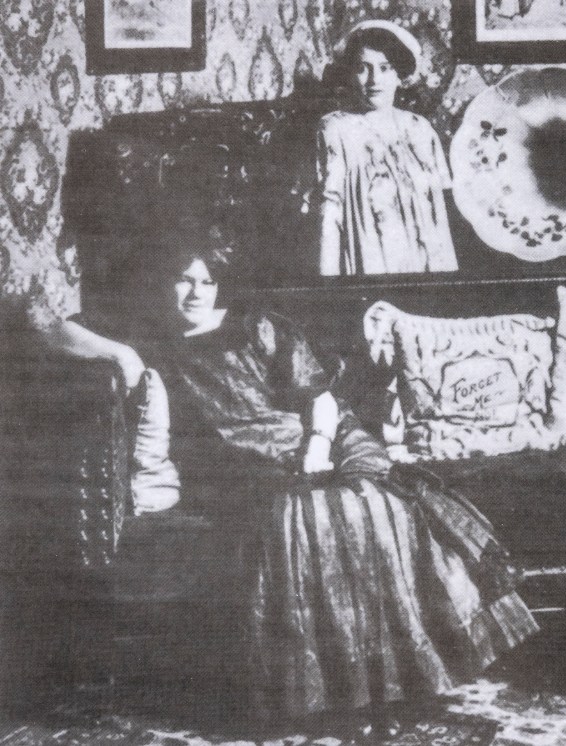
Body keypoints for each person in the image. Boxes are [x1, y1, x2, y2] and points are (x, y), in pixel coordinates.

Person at [41, 235, 537, 738]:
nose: (196, 292)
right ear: (164, 282)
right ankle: (343, 691)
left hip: (328, 439)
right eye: (184, 279)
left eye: (207, 281)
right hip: (249, 467)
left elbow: (320, 401)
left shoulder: (257, 325)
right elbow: (47, 328)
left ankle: (397, 681)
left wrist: (318, 449)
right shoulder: (152, 339)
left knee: (375, 502)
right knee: (306, 518)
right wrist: (122, 353)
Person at [318, 21, 459, 276]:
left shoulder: (420, 129)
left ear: (399, 75)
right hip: (371, 269)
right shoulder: (335, 129)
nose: (374, 79)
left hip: (427, 270)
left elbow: (441, 214)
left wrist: (446, 283)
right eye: (363, 68)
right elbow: (330, 216)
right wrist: (329, 289)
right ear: (350, 73)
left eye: (385, 68)